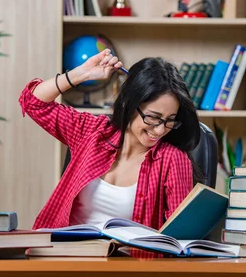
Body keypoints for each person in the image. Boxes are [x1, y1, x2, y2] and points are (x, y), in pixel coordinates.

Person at [19, 49, 202, 231]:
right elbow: (34, 102)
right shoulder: (92, 132)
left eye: (170, 120)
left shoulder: (173, 160)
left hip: (127, 258)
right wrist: (81, 74)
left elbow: (179, 237)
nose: (161, 129)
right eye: (153, 117)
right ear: (127, 104)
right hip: (65, 252)